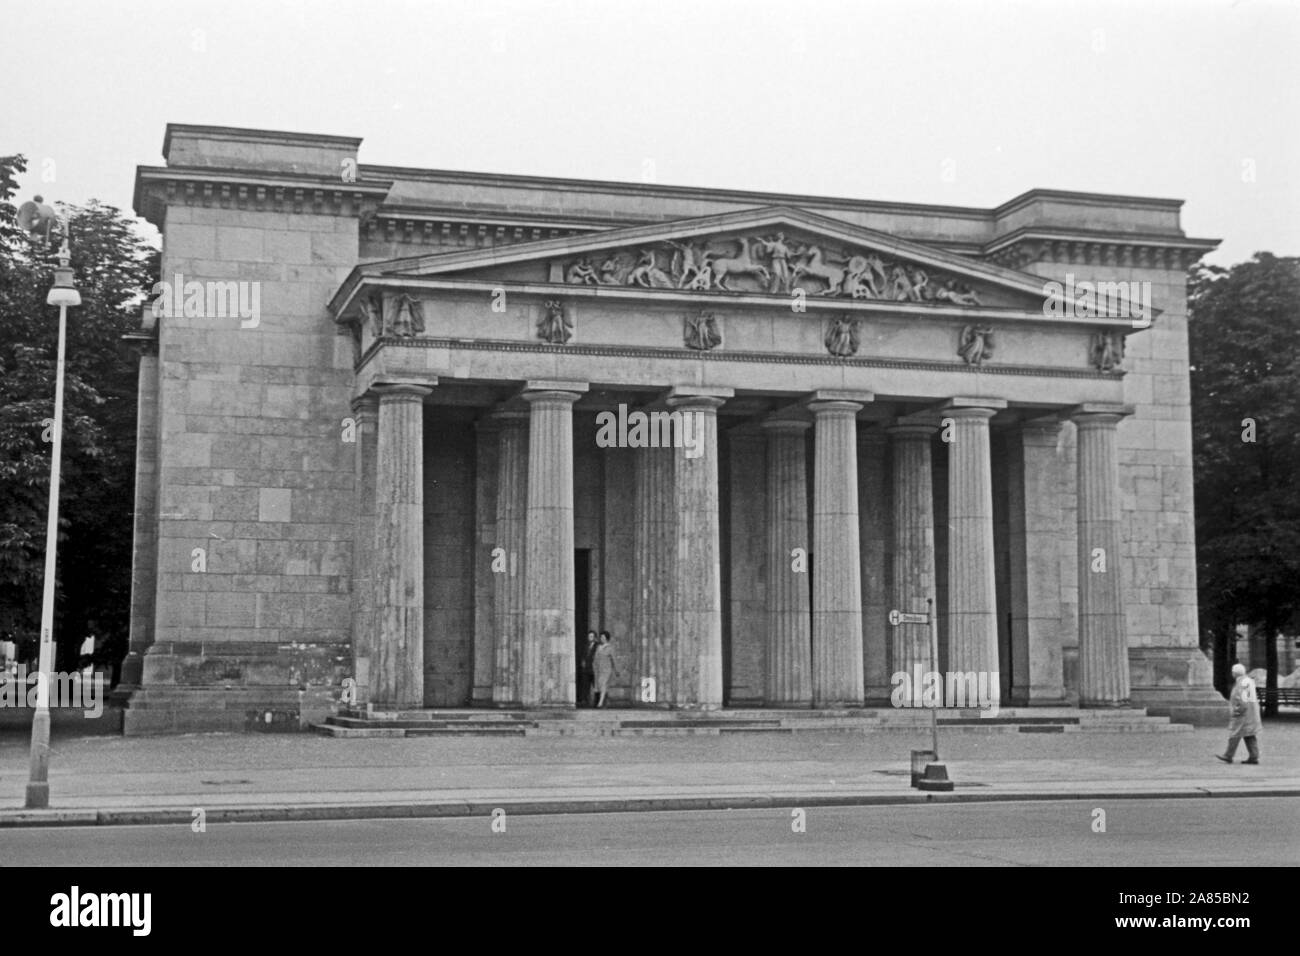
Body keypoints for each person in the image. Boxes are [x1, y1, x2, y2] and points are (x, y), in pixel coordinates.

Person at [1217, 663, 1262, 765]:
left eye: (1233, 671)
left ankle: (1228, 755)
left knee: (1235, 733)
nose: (1232, 673)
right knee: (1249, 734)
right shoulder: (1246, 680)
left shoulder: (1243, 682)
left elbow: (1243, 701)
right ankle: (1253, 756)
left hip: (1244, 714)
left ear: (1235, 673)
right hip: (1250, 713)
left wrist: (1237, 711)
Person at [591, 630, 620, 709]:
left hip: (607, 669)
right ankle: (605, 701)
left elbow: (614, 659)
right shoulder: (599, 647)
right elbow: (595, 659)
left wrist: (616, 670)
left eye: (603, 637)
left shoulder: (610, 648)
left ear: (607, 638)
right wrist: (594, 667)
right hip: (598, 670)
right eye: (601, 637)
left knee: (603, 684)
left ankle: (600, 702)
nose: (602, 638)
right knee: (599, 686)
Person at [578, 631, 597, 707]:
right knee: (586, 685)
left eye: (592, 636)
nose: (590, 638)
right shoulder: (586, 646)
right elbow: (583, 655)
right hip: (586, 669)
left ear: (595, 637)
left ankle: (597, 702)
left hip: (594, 669)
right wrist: (583, 662)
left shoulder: (597, 646)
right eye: (589, 636)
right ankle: (585, 701)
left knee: (596, 686)